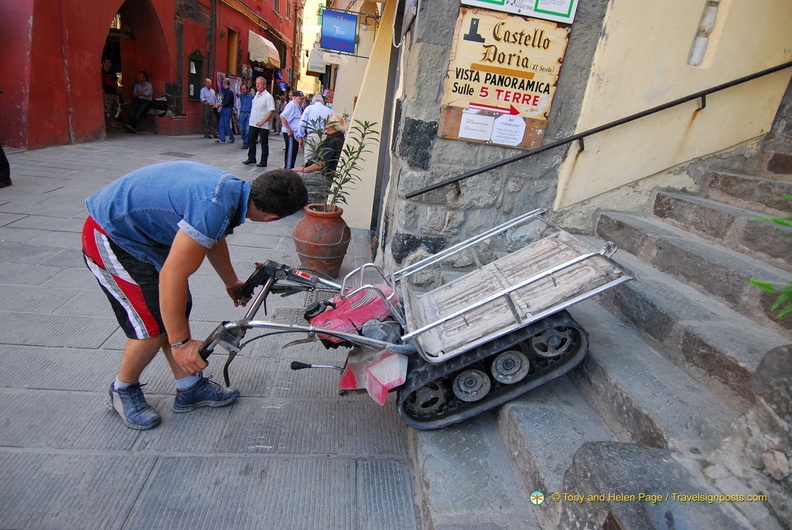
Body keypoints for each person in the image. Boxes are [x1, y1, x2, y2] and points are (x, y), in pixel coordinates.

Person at [82, 161, 308, 430]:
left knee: (176, 308)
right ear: (272, 217)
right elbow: (172, 277)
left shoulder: (233, 192)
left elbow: (213, 235)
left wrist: (231, 282)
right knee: (154, 325)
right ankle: (122, 389)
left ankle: (189, 387)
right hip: (113, 236)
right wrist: (180, 346)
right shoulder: (213, 205)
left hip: (145, 236)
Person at [243, 77, 275, 168]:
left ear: (264, 85)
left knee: (263, 142)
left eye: (259, 83)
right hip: (253, 122)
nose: (257, 85)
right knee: (250, 139)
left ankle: (263, 160)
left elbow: (271, 111)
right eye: (256, 83)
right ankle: (251, 157)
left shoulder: (268, 97)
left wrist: (263, 121)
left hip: (263, 124)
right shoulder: (256, 94)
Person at [298, 94, 334, 163]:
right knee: (321, 161)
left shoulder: (309, 108)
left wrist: (300, 136)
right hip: (325, 136)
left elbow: (302, 124)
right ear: (323, 102)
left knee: (308, 160)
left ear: (312, 102)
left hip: (312, 135)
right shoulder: (329, 110)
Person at [280, 90, 305, 169]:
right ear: (294, 98)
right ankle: (287, 170)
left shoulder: (299, 106)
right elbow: (282, 117)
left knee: (294, 153)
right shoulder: (292, 105)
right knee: (290, 154)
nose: (302, 101)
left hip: (295, 134)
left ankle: (289, 169)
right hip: (291, 133)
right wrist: (289, 130)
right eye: (300, 99)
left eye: (302, 99)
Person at [101, 58, 120, 129]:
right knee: (106, 109)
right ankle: (105, 124)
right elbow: (100, 84)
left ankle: (112, 123)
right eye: (108, 62)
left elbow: (115, 82)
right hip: (106, 92)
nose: (110, 64)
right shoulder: (101, 72)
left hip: (113, 92)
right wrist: (103, 93)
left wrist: (117, 90)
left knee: (113, 108)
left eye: (110, 62)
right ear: (104, 63)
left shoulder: (112, 72)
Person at [217, 78, 235, 144]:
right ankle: (222, 138)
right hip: (225, 108)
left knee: (226, 124)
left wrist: (219, 104)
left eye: (223, 83)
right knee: (221, 124)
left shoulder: (229, 92)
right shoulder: (227, 91)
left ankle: (231, 137)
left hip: (227, 109)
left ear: (225, 83)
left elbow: (226, 102)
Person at [237, 83, 254, 149]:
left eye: (244, 89)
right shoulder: (241, 96)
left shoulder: (252, 97)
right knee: (241, 129)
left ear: (247, 89)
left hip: (248, 113)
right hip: (242, 113)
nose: (243, 91)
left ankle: (246, 143)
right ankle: (245, 140)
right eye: (242, 89)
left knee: (247, 129)